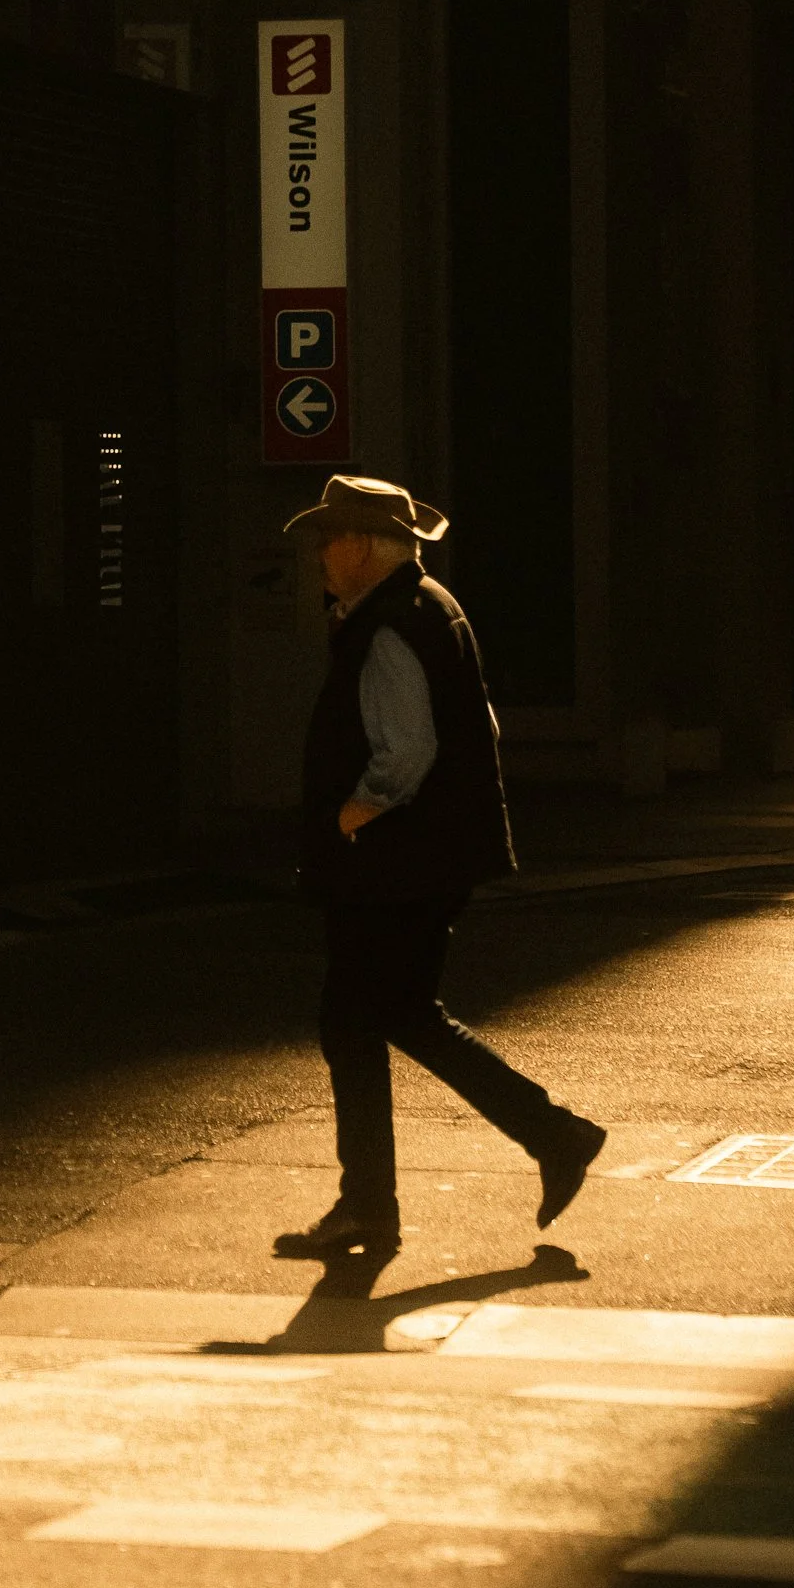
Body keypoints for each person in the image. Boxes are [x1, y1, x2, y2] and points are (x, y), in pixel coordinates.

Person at [273, 473, 606, 1260]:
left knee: (365, 1018)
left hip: (392, 863)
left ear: (360, 545)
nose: (320, 555)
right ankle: (539, 1141)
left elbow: (408, 750)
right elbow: (477, 719)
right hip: (425, 860)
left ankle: (385, 1201)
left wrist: (356, 809)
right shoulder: (433, 608)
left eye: (329, 540)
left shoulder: (388, 626)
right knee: (385, 1015)